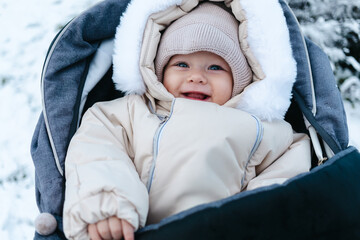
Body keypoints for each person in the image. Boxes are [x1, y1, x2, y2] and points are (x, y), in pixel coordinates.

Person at [63, 2, 311, 240]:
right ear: (157, 71)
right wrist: (109, 202)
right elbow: (98, 151)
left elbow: (282, 186)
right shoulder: (129, 114)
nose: (196, 77)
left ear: (241, 80)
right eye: (181, 64)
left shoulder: (263, 130)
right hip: (137, 230)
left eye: (215, 67)